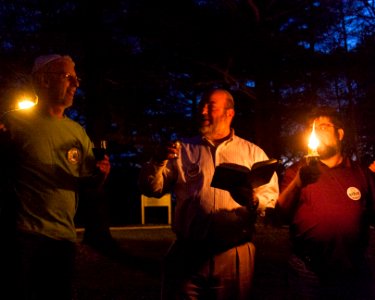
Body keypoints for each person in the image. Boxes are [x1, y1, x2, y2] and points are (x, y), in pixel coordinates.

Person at [138, 88, 279, 300]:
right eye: (201, 105)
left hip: (234, 253)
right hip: (188, 250)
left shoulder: (252, 153)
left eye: (210, 106)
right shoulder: (182, 149)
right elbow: (152, 188)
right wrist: (158, 161)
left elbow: (271, 195)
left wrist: (255, 200)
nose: (202, 111)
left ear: (229, 113)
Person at [0, 54, 111, 300]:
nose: (76, 84)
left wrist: (101, 174)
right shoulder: (13, 123)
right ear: (44, 80)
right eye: (68, 77)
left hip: (63, 239)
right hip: (22, 237)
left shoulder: (77, 132)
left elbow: (89, 186)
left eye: (77, 78)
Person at [276, 106, 375, 299]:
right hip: (307, 273)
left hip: (353, 272)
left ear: (340, 133)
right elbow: (279, 215)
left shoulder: (361, 173)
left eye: (323, 126)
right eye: (313, 128)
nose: (316, 131)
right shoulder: (297, 171)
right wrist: (298, 182)